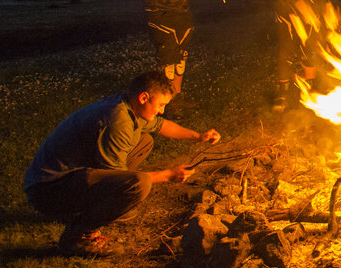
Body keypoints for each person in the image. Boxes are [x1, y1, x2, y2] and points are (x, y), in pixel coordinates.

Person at [24, 71, 221, 257]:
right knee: (139, 184)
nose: (162, 111)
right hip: (48, 190)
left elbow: (161, 126)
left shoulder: (128, 104)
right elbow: (121, 177)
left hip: (63, 178)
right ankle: (79, 237)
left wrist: (198, 136)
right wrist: (168, 175)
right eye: (161, 105)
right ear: (144, 97)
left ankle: (94, 205)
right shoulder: (118, 121)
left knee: (144, 141)